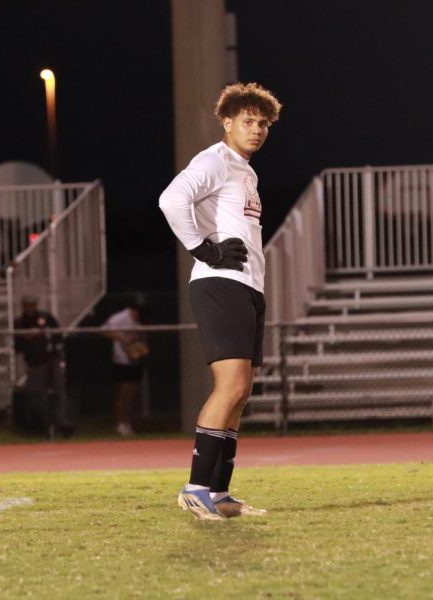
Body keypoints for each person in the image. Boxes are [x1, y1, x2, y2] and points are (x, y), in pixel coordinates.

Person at [159, 82, 281, 520]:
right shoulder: (214, 159)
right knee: (228, 387)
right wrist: (203, 249)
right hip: (219, 283)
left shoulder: (245, 170)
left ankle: (220, 493)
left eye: (263, 123)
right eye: (248, 121)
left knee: (242, 392)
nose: (257, 129)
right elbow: (171, 199)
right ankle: (195, 488)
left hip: (247, 286)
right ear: (227, 123)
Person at [13, 294, 73, 438]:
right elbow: (18, 345)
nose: (30, 307)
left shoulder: (46, 317)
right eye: (27, 305)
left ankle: (61, 422)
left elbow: (59, 334)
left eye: (32, 304)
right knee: (37, 394)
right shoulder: (20, 322)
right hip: (35, 362)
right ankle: (43, 426)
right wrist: (28, 336)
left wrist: (46, 334)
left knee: (59, 389)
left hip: (52, 357)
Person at [103, 304, 149, 437]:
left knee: (132, 393)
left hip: (134, 359)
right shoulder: (121, 317)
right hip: (121, 360)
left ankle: (127, 422)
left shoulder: (137, 321)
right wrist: (122, 338)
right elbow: (104, 329)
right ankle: (120, 423)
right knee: (123, 394)